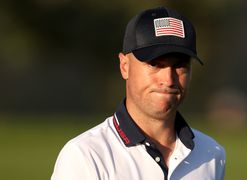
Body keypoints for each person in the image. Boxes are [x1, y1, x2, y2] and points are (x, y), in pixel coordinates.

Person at [51, 6, 226, 180]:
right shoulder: (87, 155)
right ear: (124, 66)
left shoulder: (211, 154)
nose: (168, 79)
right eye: (155, 64)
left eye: (180, 65)